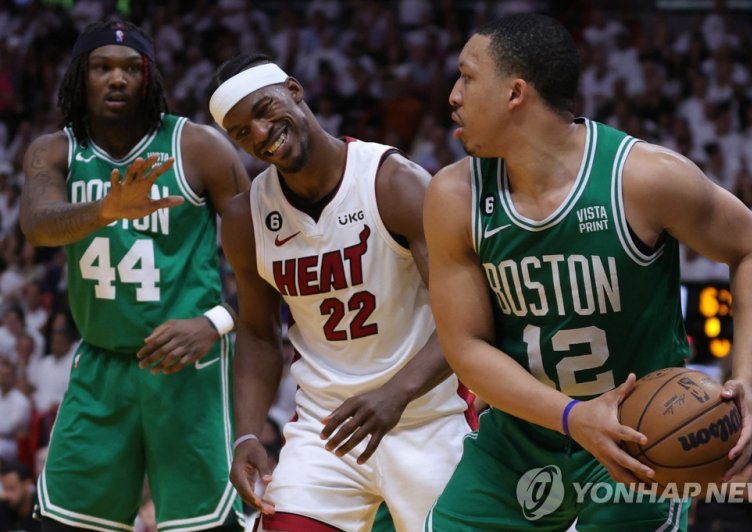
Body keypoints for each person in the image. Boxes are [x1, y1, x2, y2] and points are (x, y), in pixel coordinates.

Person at [423, 13, 752, 531]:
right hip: (519, 439)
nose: (453, 94)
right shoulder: (454, 196)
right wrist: (573, 417)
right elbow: (466, 347)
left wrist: (745, 377)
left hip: (642, 441)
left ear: (515, 93)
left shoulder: (644, 179)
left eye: (467, 76)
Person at [209, 53, 472, 532]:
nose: (261, 133)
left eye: (265, 110)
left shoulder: (394, 183)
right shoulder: (244, 218)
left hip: (427, 418)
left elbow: (468, 319)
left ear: (294, 89)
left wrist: (396, 394)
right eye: (242, 132)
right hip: (326, 430)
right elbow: (258, 333)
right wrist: (247, 432)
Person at [19, 20, 249, 531]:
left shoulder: (198, 148)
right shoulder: (55, 151)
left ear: (150, 77)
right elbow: (36, 225)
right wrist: (107, 208)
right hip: (102, 366)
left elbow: (263, 262)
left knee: (205, 527)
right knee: (61, 524)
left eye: (130, 68)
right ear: (83, 76)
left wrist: (214, 322)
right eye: (103, 67)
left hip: (188, 366)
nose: (117, 79)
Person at [0, 459, 40, 532]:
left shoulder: (41, 511)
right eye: (5, 489)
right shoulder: (3, 509)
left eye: (12, 488)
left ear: (27, 484)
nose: (7, 495)